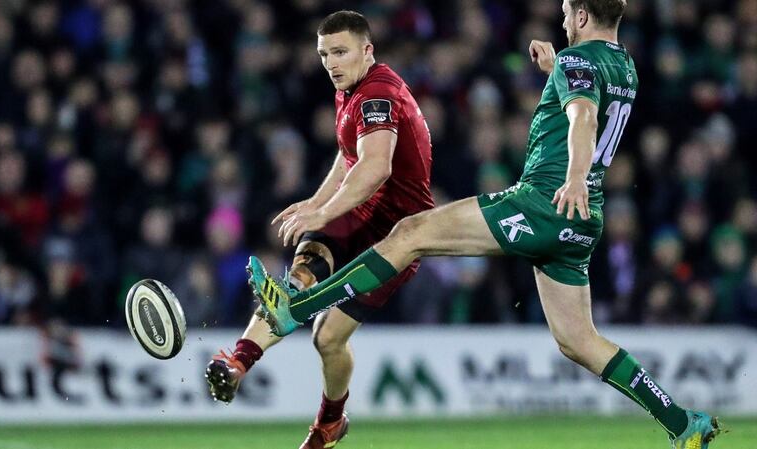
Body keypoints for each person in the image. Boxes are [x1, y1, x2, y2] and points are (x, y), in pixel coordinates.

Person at [248, 1, 721, 448]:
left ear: (580, 16)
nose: (562, 22)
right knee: (579, 341)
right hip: (583, 218)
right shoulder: (624, 66)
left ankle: (297, 308)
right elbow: (588, 96)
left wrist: (575, 175)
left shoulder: (577, 61)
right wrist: (555, 71)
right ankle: (682, 422)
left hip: (545, 202)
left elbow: (584, 117)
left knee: (410, 234)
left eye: (565, 13)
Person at [205, 10, 434, 449]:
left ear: (368, 50)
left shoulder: (377, 93)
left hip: (397, 235)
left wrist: (323, 211)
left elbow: (375, 167)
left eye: (341, 52)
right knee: (299, 276)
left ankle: (330, 421)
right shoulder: (349, 88)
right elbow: (350, 156)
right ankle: (238, 362)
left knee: (327, 339)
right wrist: (317, 203)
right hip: (358, 210)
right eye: (325, 54)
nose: (331, 63)